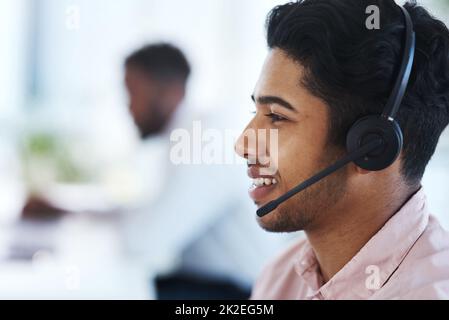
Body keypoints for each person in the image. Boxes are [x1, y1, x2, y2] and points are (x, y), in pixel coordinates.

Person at [235, 0, 449, 299]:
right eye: (255, 112)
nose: (242, 144)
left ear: (371, 146)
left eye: (278, 117)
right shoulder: (281, 276)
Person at [122, 43, 287, 299]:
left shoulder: (203, 140)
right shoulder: (187, 136)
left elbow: (144, 241)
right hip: (205, 283)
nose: (128, 107)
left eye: (133, 92)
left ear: (169, 92)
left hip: (239, 293)